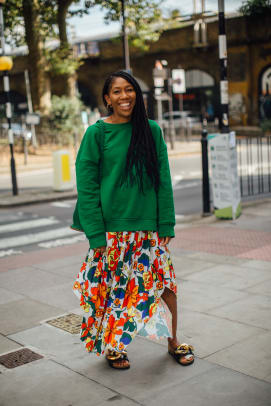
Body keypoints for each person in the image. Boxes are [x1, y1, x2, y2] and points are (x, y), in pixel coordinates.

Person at [71, 71, 194, 370]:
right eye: (117, 91)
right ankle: (114, 346)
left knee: (166, 288)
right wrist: (96, 236)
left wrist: (166, 223)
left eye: (130, 90)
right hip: (112, 231)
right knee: (114, 291)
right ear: (107, 98)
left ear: (137, 95)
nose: (124, 96)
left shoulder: (151, 130)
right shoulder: (97, 133)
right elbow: (87, 187)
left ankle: (173, 341)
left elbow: (163, 178)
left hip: (149, 229)